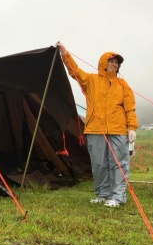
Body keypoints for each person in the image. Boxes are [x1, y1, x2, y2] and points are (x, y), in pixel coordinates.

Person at [57, 42, 138, 207]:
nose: (114, 64)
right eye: (111, 61)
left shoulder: (123, 85)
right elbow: (75, 72)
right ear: (104, 63)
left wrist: (132, 128)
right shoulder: (91, 80)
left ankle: (118, 197)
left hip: (118, 129)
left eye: (117, 62)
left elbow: (129, 108)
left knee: (119, 163)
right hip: (95, 129)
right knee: (99, 163)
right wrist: (65, 53)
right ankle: (102, 194)